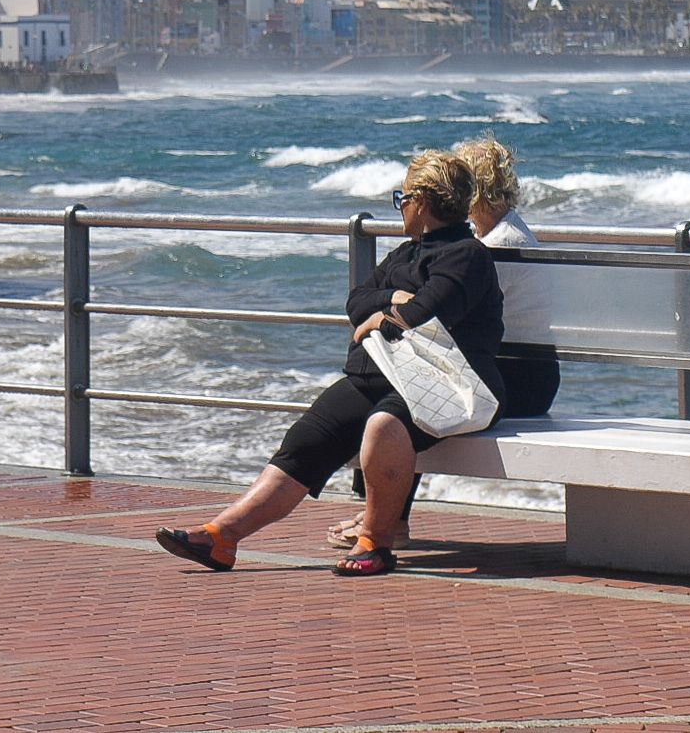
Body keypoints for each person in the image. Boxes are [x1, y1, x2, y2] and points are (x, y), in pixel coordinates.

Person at [155, 150, 505, 577]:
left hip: (448, 386)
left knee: (383, 427)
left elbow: (427, 317)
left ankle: (376, 544)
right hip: (383, 376)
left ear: (424, 202)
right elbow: (356, 302)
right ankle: (222, 537)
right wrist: (390, 302)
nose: (400, 207)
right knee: (308, 438)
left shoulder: (465, 255)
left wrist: (385, 315)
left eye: (403, 198)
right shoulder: (405, 254)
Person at [327, 135, 553, 551]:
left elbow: (443, 313)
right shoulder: (492, 236)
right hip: (503, 365)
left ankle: (389, 518)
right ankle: (384, 514)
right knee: (400, 392)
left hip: (516, 376)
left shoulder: (495, 247)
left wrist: (397, 299)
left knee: (407, 398)